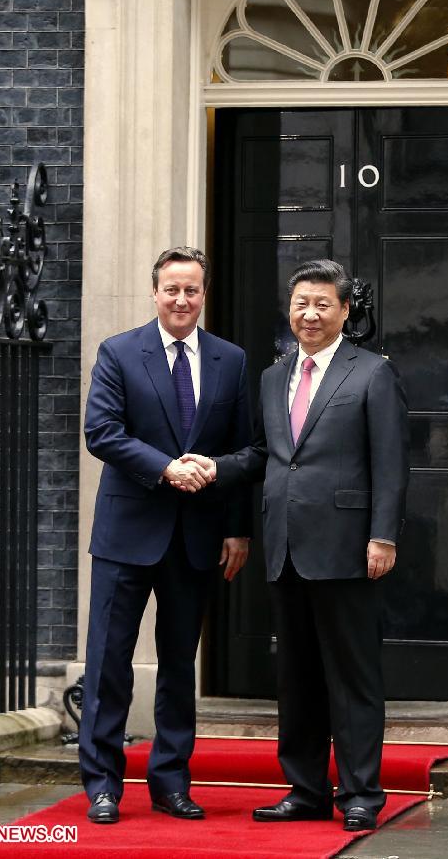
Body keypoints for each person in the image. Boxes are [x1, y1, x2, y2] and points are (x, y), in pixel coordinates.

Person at [177, 259, 409, 833]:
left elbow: (392, 463)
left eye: (323, 304)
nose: (310, 313)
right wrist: (215, 466)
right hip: (285, 546)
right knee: (297, 677)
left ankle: (360, 794)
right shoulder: (273, 376)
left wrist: (383, 536)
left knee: (352, 678)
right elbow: (264, 455)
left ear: (344, 311)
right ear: (290, 307)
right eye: (302, 302)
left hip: (349, 547)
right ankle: (305, 788)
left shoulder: (372, 372)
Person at [79, 246, 251, 824]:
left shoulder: (231, 360)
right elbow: (100, 431)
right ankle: (102, 783)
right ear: (154, 292)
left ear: (205, 295)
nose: (182, 300)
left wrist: (236, 527)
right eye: (172, 289)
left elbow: (247, 449)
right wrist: (164, 467)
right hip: (128, 533)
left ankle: (171, 782)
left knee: (180, 665)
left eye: (192, 290)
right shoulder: (120, 352)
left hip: (197, 536)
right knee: (109, 663)